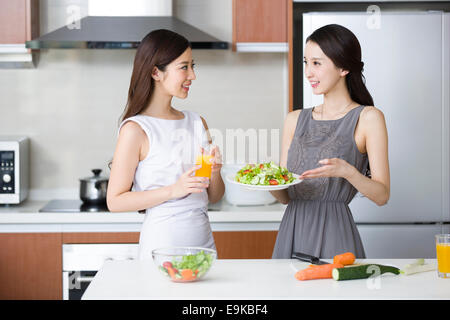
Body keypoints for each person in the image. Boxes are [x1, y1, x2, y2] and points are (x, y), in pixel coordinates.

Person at [270, 24, 390, 259]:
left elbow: (382, 195)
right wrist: (269, 181)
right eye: (305, 62)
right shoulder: (294, 120)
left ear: (343, 67)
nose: (308, 72)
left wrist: (348, 172)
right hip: (292, 231)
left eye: (317, 63)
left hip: (335, 235)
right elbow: (285, 197)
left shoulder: (368, 118)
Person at [106, 29, 225, 260]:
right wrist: (173, 190)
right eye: (184, 67)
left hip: (204, 246)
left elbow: (213, 196)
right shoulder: (136, 130)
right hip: (162, 247)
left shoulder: (197, 122)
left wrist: (216, 172)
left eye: (193, 66)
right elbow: (115, 201)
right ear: (155, 72)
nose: (192, 75)